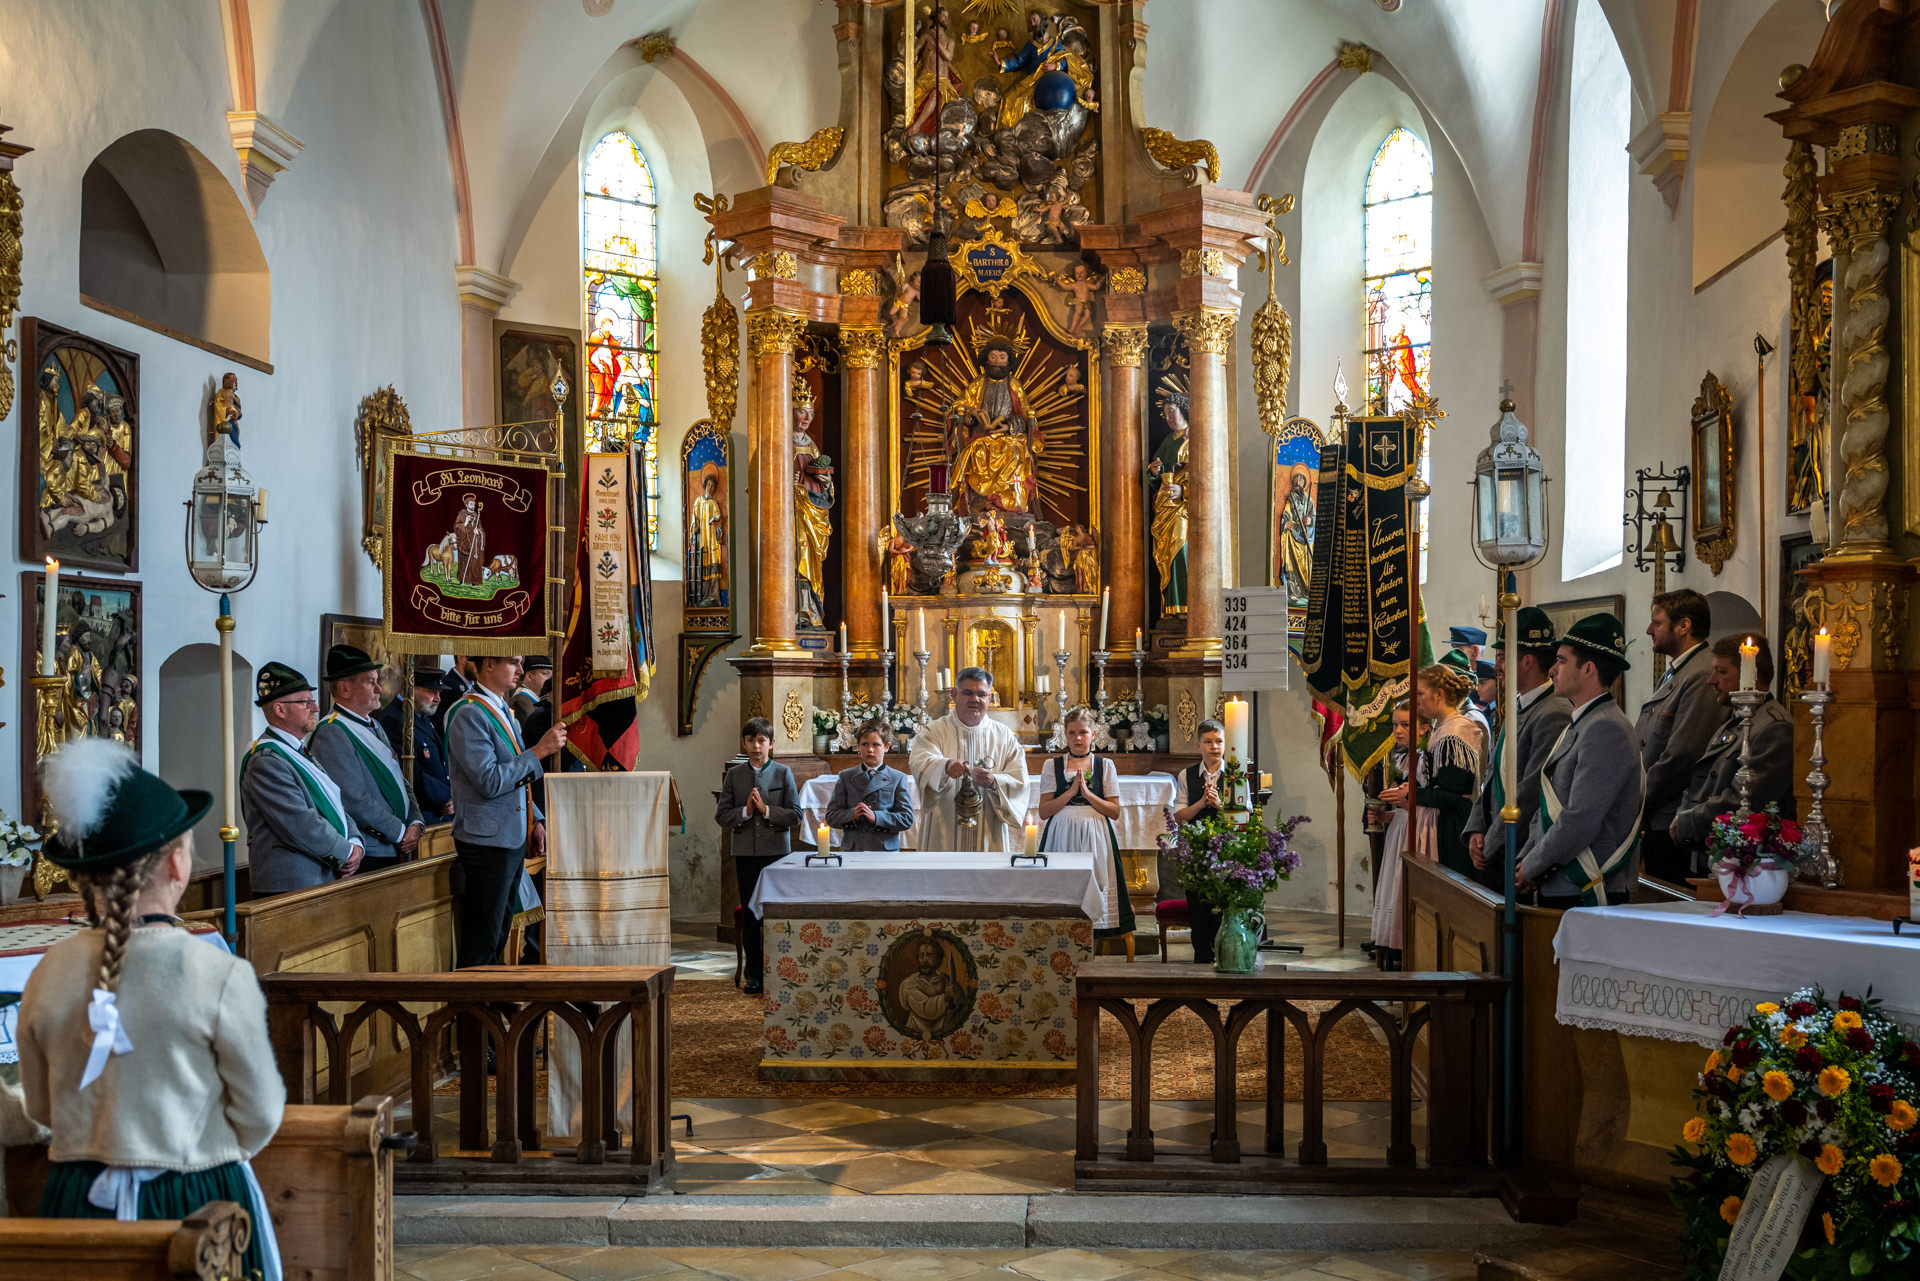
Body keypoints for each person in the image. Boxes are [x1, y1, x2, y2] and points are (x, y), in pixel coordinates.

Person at [19, 738, 284, 1278]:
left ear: (86, 876)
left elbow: (42, 1108)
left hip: (77, 1202)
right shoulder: (216, 972)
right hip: (197, 1203)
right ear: (177, 863)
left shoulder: (48, 970)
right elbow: (260, 1113)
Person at [446, 655, 567, 968]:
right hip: (486, 840)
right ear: (489, 664)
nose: (521, 671)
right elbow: (489, 780)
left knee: (498, 933)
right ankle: (474, 995)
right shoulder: (469, 713)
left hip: (510, 834)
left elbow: (516, 781)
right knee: (483, 938)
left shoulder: (501, 710)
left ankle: (491, 992)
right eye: (513, 663)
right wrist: (539, 751)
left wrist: (535, 819)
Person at [1518, 614, 1646, 908]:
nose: (1552, 670)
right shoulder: (1583, 722)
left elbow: (1579, 819)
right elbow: (1547, 805)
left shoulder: (1606, 728)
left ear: (1588, 669)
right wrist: (1526, 860)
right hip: (1561, 883)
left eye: (1561, 661)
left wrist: (1532, 867)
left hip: (1585, 885)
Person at [1465, 608, 1573, 891]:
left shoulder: (1553, 712)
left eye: (1502, 657)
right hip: (1500, 843)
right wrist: (1476, 827)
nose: (1497, 667)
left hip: (1520, 850)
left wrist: (1490, 844)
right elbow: (1494, 773)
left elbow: (1531, 791)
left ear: (1526, 660)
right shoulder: (1518, 704)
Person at [1670, 636, 1795, 872]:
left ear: (1751, 675)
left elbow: (1745, 799)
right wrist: (1684, 815)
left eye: (1722, 672)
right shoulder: (1733, 722)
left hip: (1746, 862)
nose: (1712, 680)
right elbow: (1702, 780)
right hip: (1713, 850)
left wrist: (1691, 820)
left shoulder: (1773, 728)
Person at [240, 662, 366, 894]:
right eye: (306, 703)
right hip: (292, 884)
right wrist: (346, 852)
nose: (315, 708)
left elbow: (334, 803)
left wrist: (356, 842)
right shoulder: (266, 761)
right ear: (280, 710)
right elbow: (300, 823)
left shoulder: (298, 752)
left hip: (318, 876)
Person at [309, 644, 425, 876]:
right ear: (344, 688)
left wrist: (415, 821)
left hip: (395, 843)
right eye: (370, 682)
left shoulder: (373, 724)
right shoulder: (331, 731)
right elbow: (353, 799)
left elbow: (399, 779)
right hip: (371, 850)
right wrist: (400, 831)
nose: (379, 688)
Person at [1637, 589, 1722, 884]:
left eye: (1657, 623)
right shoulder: (1677, 671)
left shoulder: (1701, 673)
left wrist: (1637, 800)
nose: (1649, 631)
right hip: (1658, 814)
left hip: (1674, 818)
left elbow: (1682, 754)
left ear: (1684, 625)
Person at [715, 717, 799, 995]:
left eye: (761, 741)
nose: (756, 746)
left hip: (776, 853)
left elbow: (795, 815)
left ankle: (779, 970)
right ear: (744, 743)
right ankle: (754, 974)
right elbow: (722, 815)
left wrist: (765, 810)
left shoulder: (783, 773)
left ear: (771, 744)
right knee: (751, 912)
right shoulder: (734, 775)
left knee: (774, 912)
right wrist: (746, 812)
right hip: (746, 854)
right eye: (750, 740)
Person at [1037, 706, 1134, 943]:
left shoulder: (1104, 765)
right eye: (1072, 733)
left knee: (1097, 881)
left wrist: (1088, 795)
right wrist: (1071, 793)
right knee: (1063, 883)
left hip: (1096, 833)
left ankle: (1096, 936)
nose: (1077, 738)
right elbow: (1044, 811)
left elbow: (1114, 812)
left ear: (1094, 734)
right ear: (1065, 734)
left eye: (1083, 732)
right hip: (1061, 833)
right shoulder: (1052, 765)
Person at [908, 666, 1028, 851]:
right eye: (967, 693)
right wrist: (944, 766)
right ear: (954, 694)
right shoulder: (934, 731)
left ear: (990, 698)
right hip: (944, 833)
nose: (975, 699)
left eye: (981, 694)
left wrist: (994, 782)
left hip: (988, 831)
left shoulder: (1004, 736)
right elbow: (919, 760)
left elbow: (1020, 780)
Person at [1412, 664, 1484, 884]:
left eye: (1420, 693)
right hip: (1442, 821)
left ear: (1439, 694)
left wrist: (1411, 793)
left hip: (1453, 827)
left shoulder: (1455, 731)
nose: (1417, 701)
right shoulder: (1443, 727)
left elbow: (1451, 794)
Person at [1367, 704, 1423, 970]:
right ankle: (1392, 946)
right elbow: (1402, 810)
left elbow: (1423, 805)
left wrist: (1404, 800)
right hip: (1399, 830)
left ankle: (1407, 947)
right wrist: (1385, 816)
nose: (1398, 730)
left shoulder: (1423, 759)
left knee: (1403, 885)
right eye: (1395, 725)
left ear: (1424, 728)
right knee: (1392, 885)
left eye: (1405, 725)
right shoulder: (1402, 758)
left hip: (1416, 831)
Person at [1169, 718, 1228, 963]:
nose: (1214, 746)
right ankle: (1201, 959)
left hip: (1226, 849)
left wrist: (1219, 805)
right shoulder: (1187, 775)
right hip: (1196, 850)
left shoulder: (1236, 775)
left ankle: (1223, 956)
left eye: (1219, 741)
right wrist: (1203, 803)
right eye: (1208, 742)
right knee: (1199, 908)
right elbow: (1179, 816)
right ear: (1198, 745)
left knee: (1221, 906)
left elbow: (1244, 815)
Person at [822, 719, 915, 851]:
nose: (870, 750)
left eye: (876, 745)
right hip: (854, 849)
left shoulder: (898, 778)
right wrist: (852, 814)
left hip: (885, 851)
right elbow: (831, 816)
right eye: (865, 744)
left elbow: (906, 818)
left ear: (886, 747)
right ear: (859, 746)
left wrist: (877, 817)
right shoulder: (846, 777)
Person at [380, 665, 453, 819]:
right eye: (432, 692)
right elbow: (409, 772)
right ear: (411, 690)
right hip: (419, 812)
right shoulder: (395, 719)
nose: (438, 699)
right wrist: (446, 796)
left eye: (439, 693)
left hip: (439, 809)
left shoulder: (420, 716)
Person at [1148, 394, 1190, 617]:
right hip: (1165, 506)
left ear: (1182, 410)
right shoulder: (1167, 441)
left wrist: (1184, 491)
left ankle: (1186, 604)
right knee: (1165, 554)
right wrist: (1154, 472)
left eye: (1171, 411)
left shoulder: (1194, 437)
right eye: (1165, 414)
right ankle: (1172, 605)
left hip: (1185, 508)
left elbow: (1206, 475)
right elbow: (1156, 476)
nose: (1168, 417)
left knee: (1180, 549)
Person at [433, 655, 477, 744]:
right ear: (461, 658)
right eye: (476, 660)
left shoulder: (476, 685)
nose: (481, 666)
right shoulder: (447, 686)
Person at [511, 656, 552, 727]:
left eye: (552, 674)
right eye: (545, 673)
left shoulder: (530, 698)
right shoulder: (521, 701)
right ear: (529, 677)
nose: (551, 678)